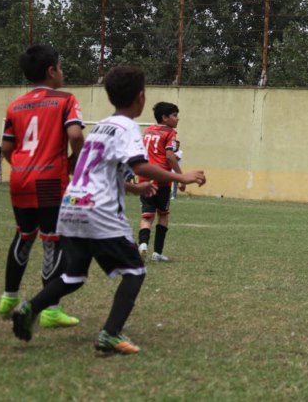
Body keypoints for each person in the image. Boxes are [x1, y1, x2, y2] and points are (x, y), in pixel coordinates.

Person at [11, 66, 206, 354]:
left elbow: (93, 169)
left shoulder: (101, 127)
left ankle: (29, 308)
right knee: (135, 271)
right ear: (140, 97)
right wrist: (181, 177)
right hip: (98, 210)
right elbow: (140, 165)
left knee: (74, 275)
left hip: (72, 206)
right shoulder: (128, 128)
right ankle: (110, 334)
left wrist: (135, 189)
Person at [0, 44, 84, 327]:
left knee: (24, 235)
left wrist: (23, 166)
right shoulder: (65, 100)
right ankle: (51, 310)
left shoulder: (15, 105)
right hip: (49, 180)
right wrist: (75, 160)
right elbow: (75, 134)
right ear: (51, 71)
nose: (62, 71)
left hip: (20, 178)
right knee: (52, 241)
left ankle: (9, 297)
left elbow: (6, 148)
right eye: (60, 66)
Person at [137, 102, 183, 261]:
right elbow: (169, 156)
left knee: (147, 216)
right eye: (174, 115)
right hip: (162, 178)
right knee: (163, 214)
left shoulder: (148, 130)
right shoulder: (170, 132)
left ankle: (143, 245)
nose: (177, 118)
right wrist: (181, 177)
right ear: (164, 117)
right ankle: (157, 253)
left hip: (145, 177)